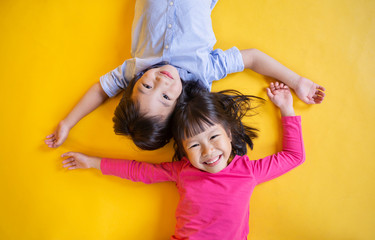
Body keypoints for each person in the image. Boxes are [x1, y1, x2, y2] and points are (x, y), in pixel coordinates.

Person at [46, 0, 324, 150]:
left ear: (134, 83)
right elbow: (250, 57)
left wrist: (68, 122)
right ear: (179, 104)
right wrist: (296, 81)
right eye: (165, 96)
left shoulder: (135, 67)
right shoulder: (202, 71)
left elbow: (100, 90)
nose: (161, 80)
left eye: (145, 86)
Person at [60, 82, 305, 239]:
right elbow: (139, 171)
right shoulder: (182, 171)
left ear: (229, 133)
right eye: (195, 145)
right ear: (185, 151)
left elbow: (294, 156)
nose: (208, 151)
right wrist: (93, 162)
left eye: (214, 137)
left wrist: (286, 109)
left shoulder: (248, 172)